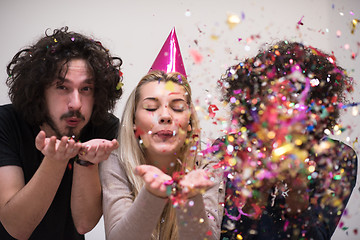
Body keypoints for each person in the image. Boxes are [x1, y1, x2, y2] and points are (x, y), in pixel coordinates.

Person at [217, 41, 357, 240]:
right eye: (273, 95)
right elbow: (221, 233)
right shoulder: (227, 150)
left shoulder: (336, 158)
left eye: (296, 95)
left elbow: (318, 237)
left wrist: (297, 188)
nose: (284, 107)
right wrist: (260, 186)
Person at [99, 28, 224, 240]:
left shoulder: (208, 164)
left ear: (190, 123)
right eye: (150, 108)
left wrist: (190, 198)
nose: (165, 116)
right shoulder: (115, 161)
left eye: (176, 107)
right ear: (133, 121)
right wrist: (152, 194)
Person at [0, 27, 123, 240]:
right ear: (39, 92)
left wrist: (86, 162)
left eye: (86, 89)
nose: (76, 103)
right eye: (62, 87)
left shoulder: (103, 128)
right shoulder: (6, 122)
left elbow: (84, 224)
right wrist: (55, 161)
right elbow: (16, 227)